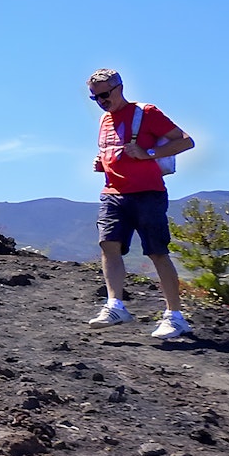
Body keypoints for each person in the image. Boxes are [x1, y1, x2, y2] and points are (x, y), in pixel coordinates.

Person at [85, 68, 195, 339]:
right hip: (113, 192)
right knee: (108, 244)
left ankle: (175, 316)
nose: (101, 101)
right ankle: (114, 305)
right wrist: (103, 163)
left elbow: (185, 141)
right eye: (95, 97)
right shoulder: (104, 120)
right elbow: (113, 150)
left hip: (148, 193)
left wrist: (149, 154)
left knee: (157, 252)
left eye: (105, 95)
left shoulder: (146, 113)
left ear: (119, 88)